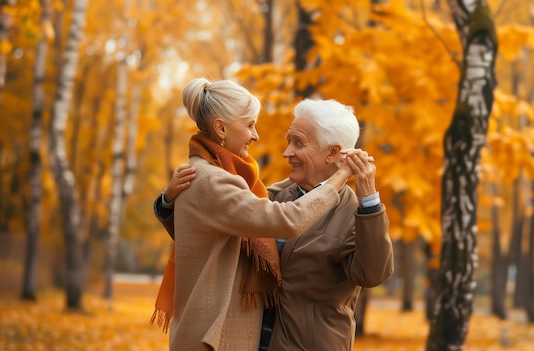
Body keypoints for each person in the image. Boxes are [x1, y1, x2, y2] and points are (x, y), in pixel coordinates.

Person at [156, 98, 394, 351]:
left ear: (333, 153)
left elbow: (372, 274)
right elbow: (207, 236)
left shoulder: (353, 212)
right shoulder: (272, 197)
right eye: (288, 140)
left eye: (299, 143)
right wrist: (167, 203)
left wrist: (369, 200)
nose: (286, 153)